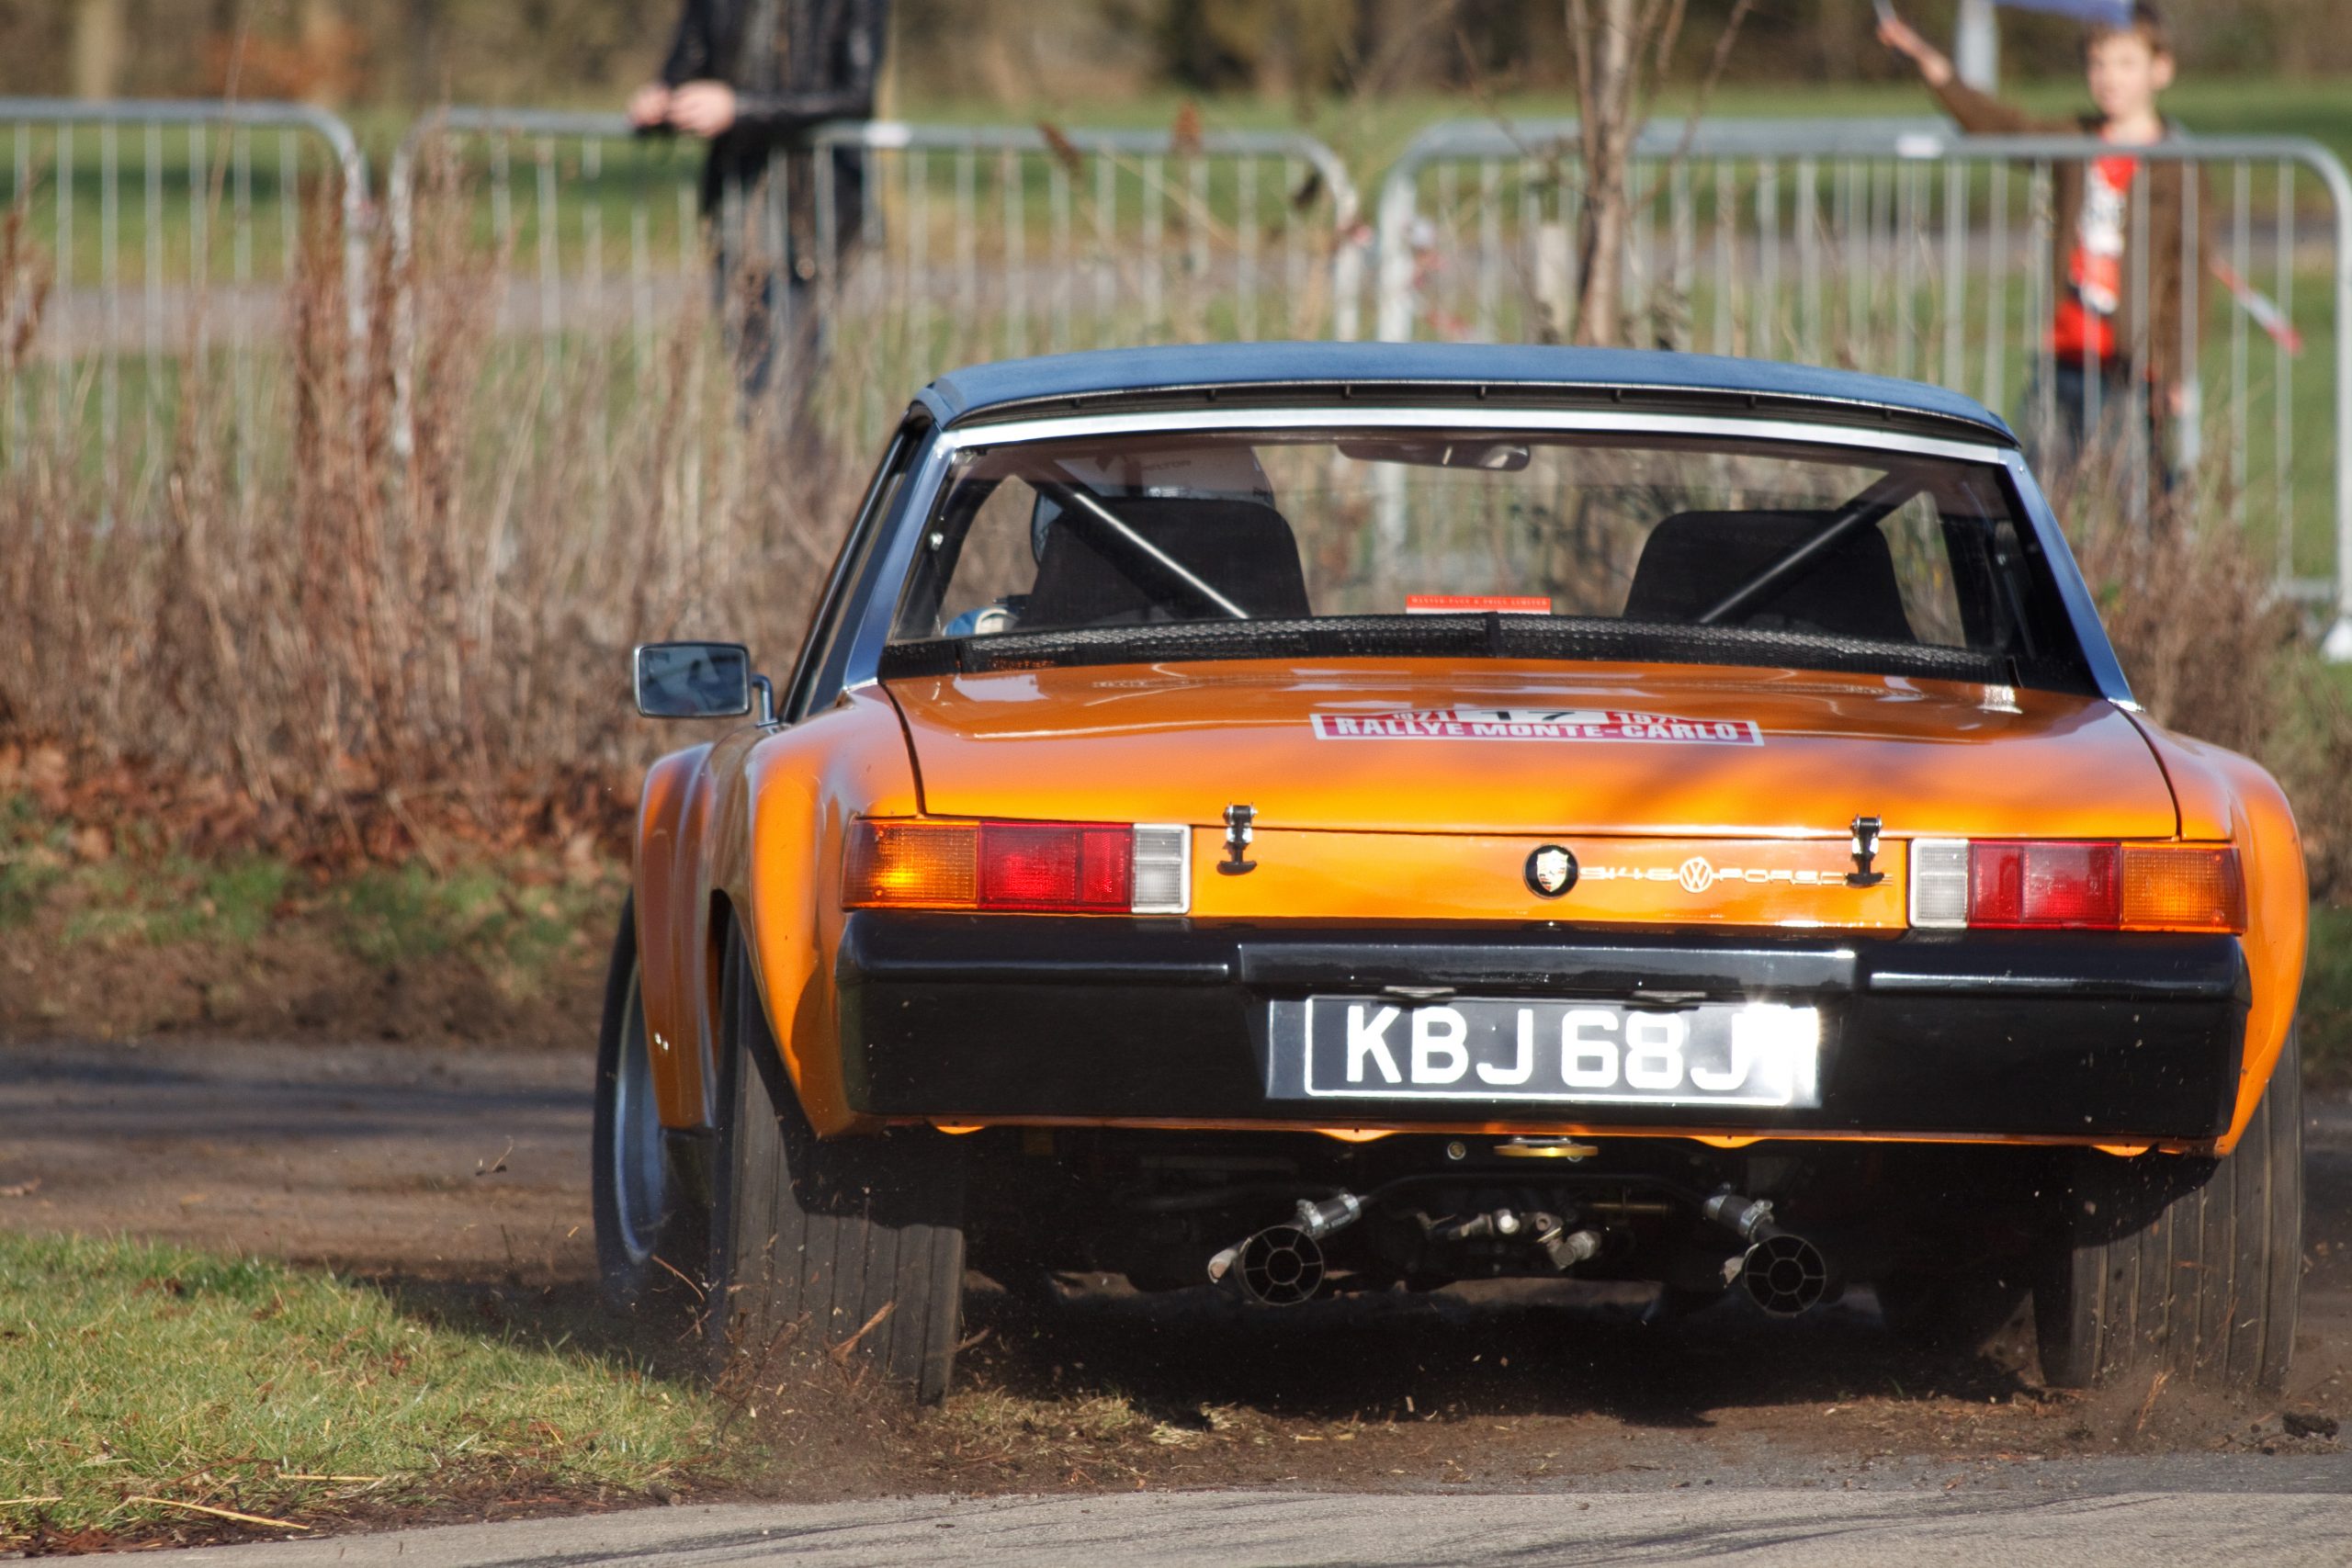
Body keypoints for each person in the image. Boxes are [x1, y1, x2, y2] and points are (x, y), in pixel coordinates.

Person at [1879, 2, 2211, 489]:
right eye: (2098, 63)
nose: (2108, 77)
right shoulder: (2073, 139)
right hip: (2063, 355)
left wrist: (2176, 369)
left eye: (2125, 63)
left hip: (2131, 367)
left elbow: (2190, 272)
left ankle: (2165, 567)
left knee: (2141, 500)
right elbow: (2002, 127)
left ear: (2160, 69)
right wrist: (1935, 67)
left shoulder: (2180, 162)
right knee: (2032, 494)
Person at [628, 0, 891, 407]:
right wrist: (662, 102)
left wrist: (741, 108)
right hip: (734, 207)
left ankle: (804, 469)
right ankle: (783, 468)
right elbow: (686, 66)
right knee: (752, 388)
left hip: (814, 208)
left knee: (785, 390)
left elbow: (857, 94)